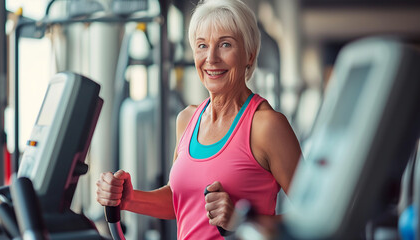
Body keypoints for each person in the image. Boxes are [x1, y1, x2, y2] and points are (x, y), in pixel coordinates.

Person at [96, 0, 302, 239]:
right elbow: (181, 202)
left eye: (225, 44)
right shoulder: (187, 119)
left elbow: (320, 216)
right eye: (202, 46)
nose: (211, 58)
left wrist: (245, 220)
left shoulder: (266, 125)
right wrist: (130, 198)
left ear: (250, 54)